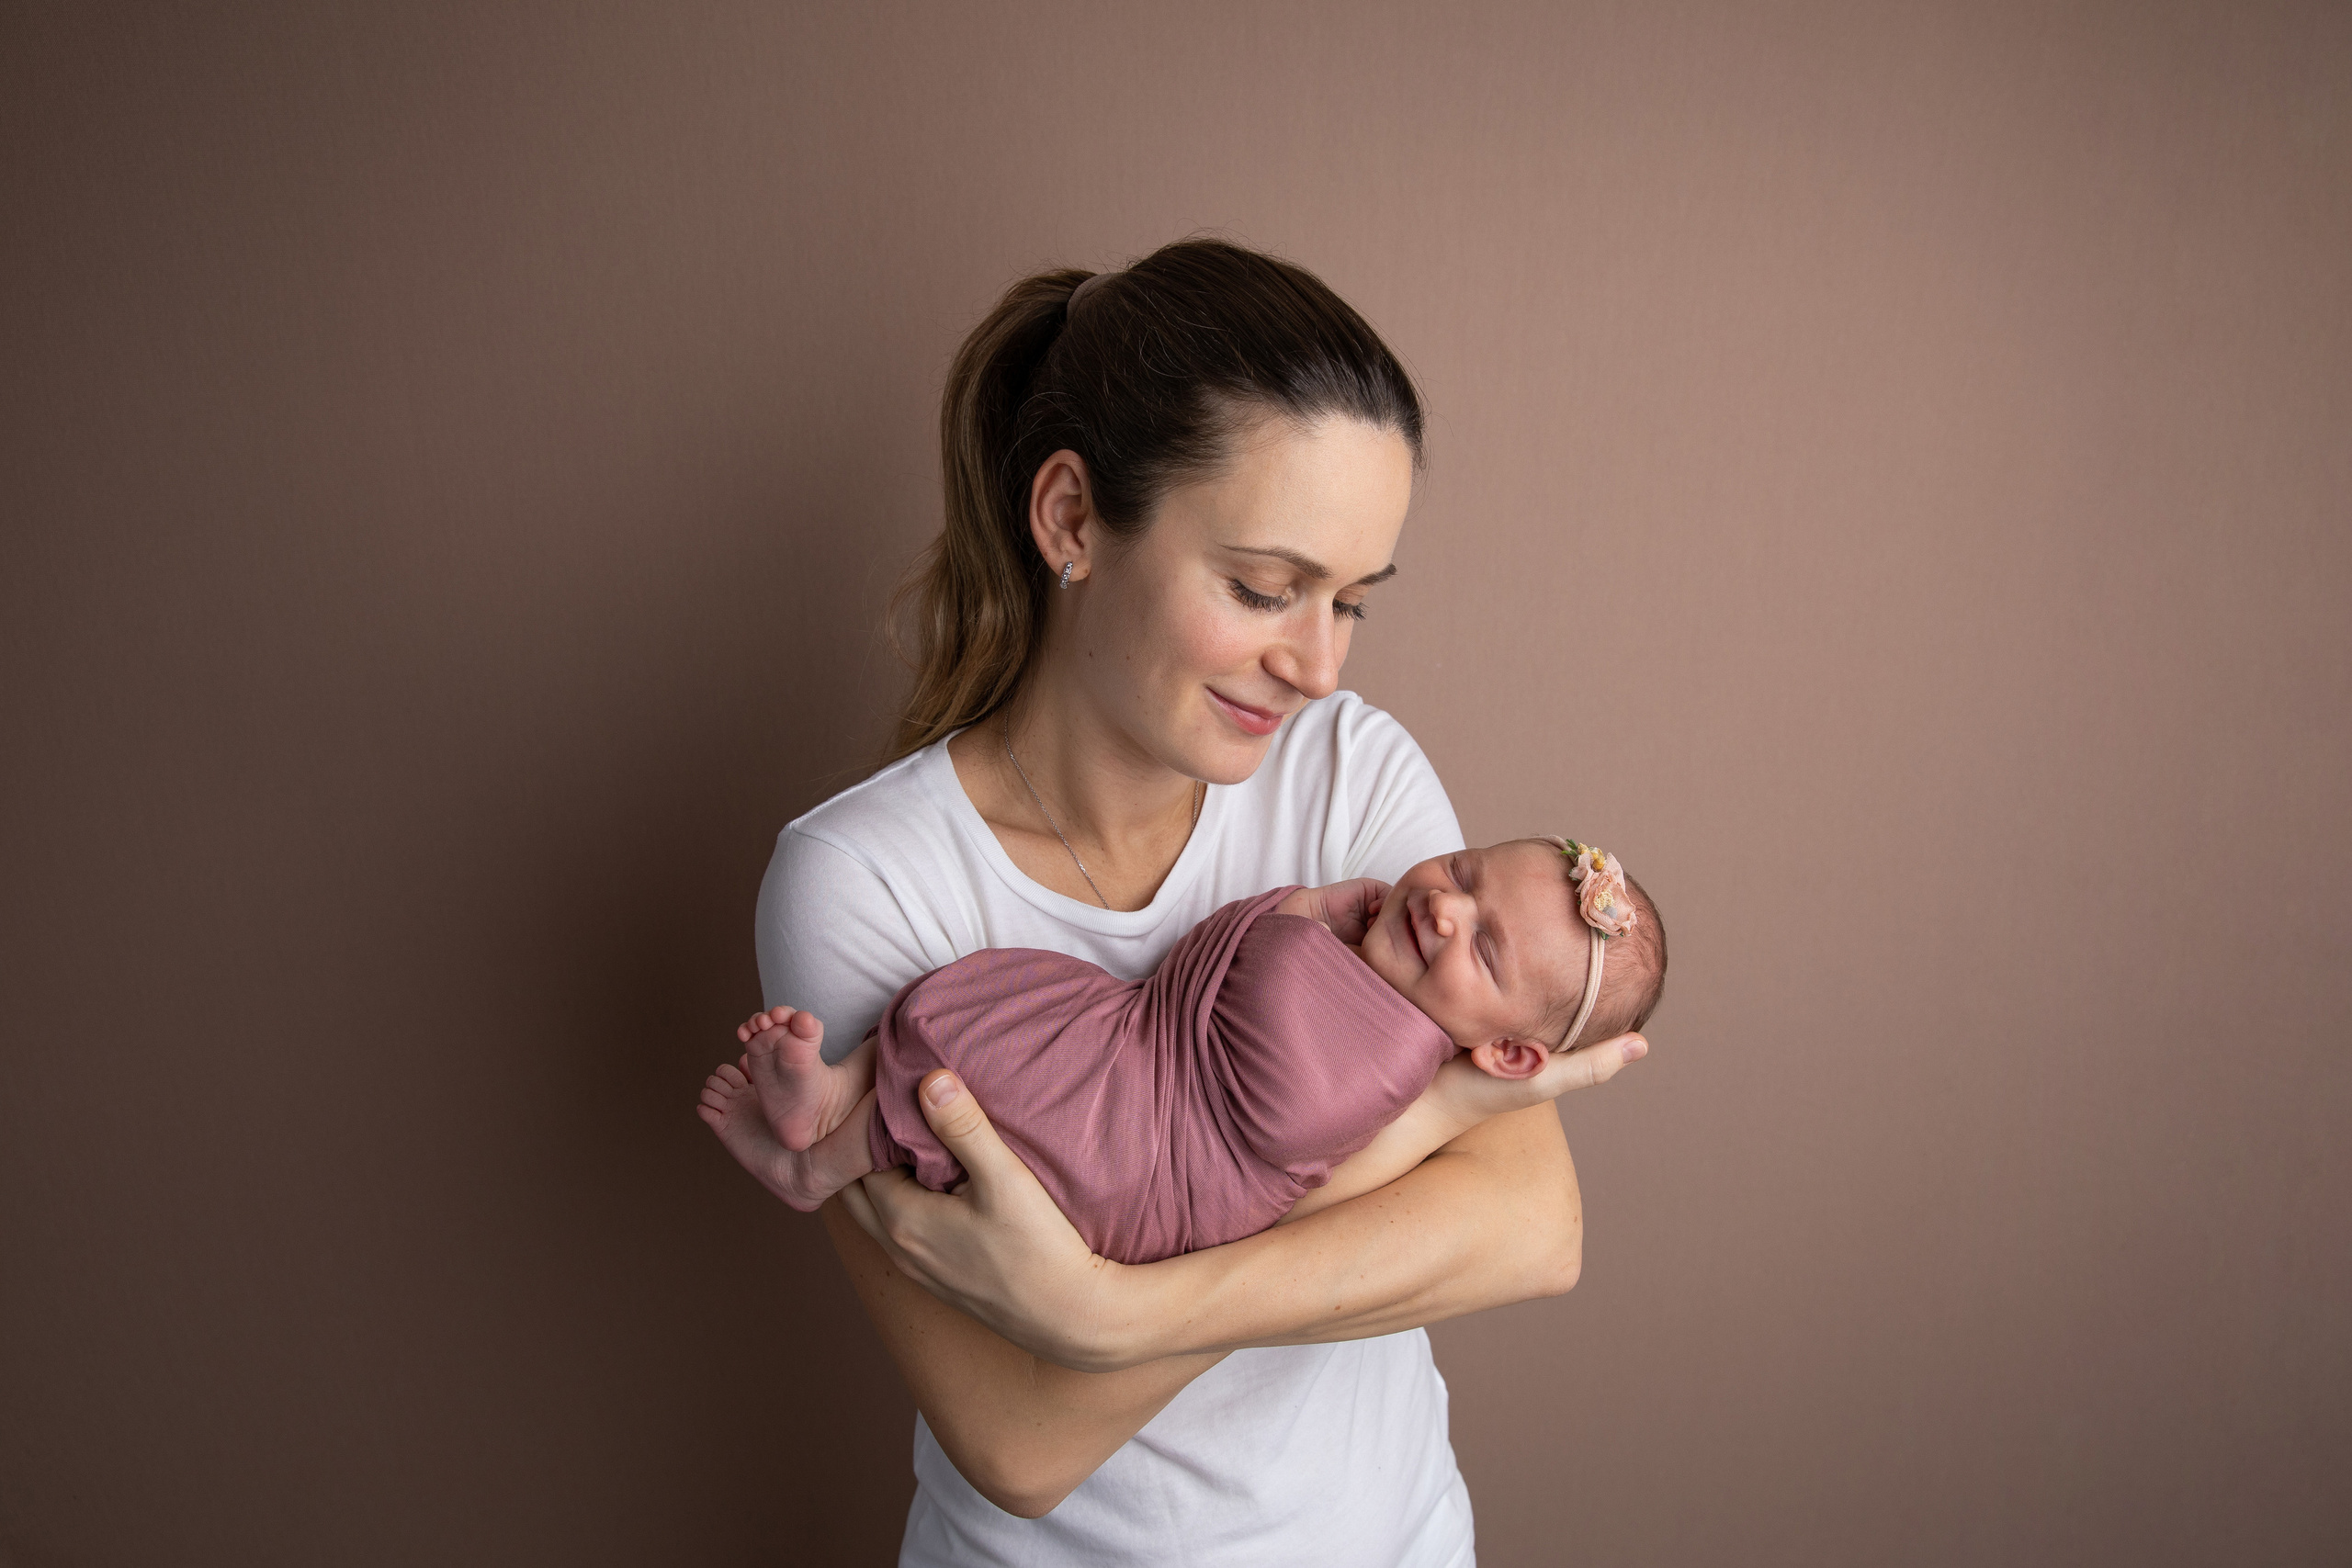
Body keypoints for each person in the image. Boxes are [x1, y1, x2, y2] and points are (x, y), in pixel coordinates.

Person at [747, 237, 1650, 1566]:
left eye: (1352, 602)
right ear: (1070, 520)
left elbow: (1532, 1224)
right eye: (1263, 588)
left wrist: (1102, 1314)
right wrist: (1428, 1125)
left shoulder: (1353, 773)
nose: (1319, 666)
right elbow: (1022, 1441)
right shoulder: (870, 882)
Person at [703, 839, 1665, 1262]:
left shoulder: (1395, 1064)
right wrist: (1300, 913)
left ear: (1504, 1055)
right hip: (1144, 1039)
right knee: (1007, 998)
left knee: (1008, 1087)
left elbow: (1284, 1108)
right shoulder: (1374, 957)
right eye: (1462, 870)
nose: (1445, 906)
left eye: (1484, 947)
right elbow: (1209, 975)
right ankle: (834, 1099)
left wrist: (1294, 931)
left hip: (1148, 1160)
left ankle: (824, 1155)